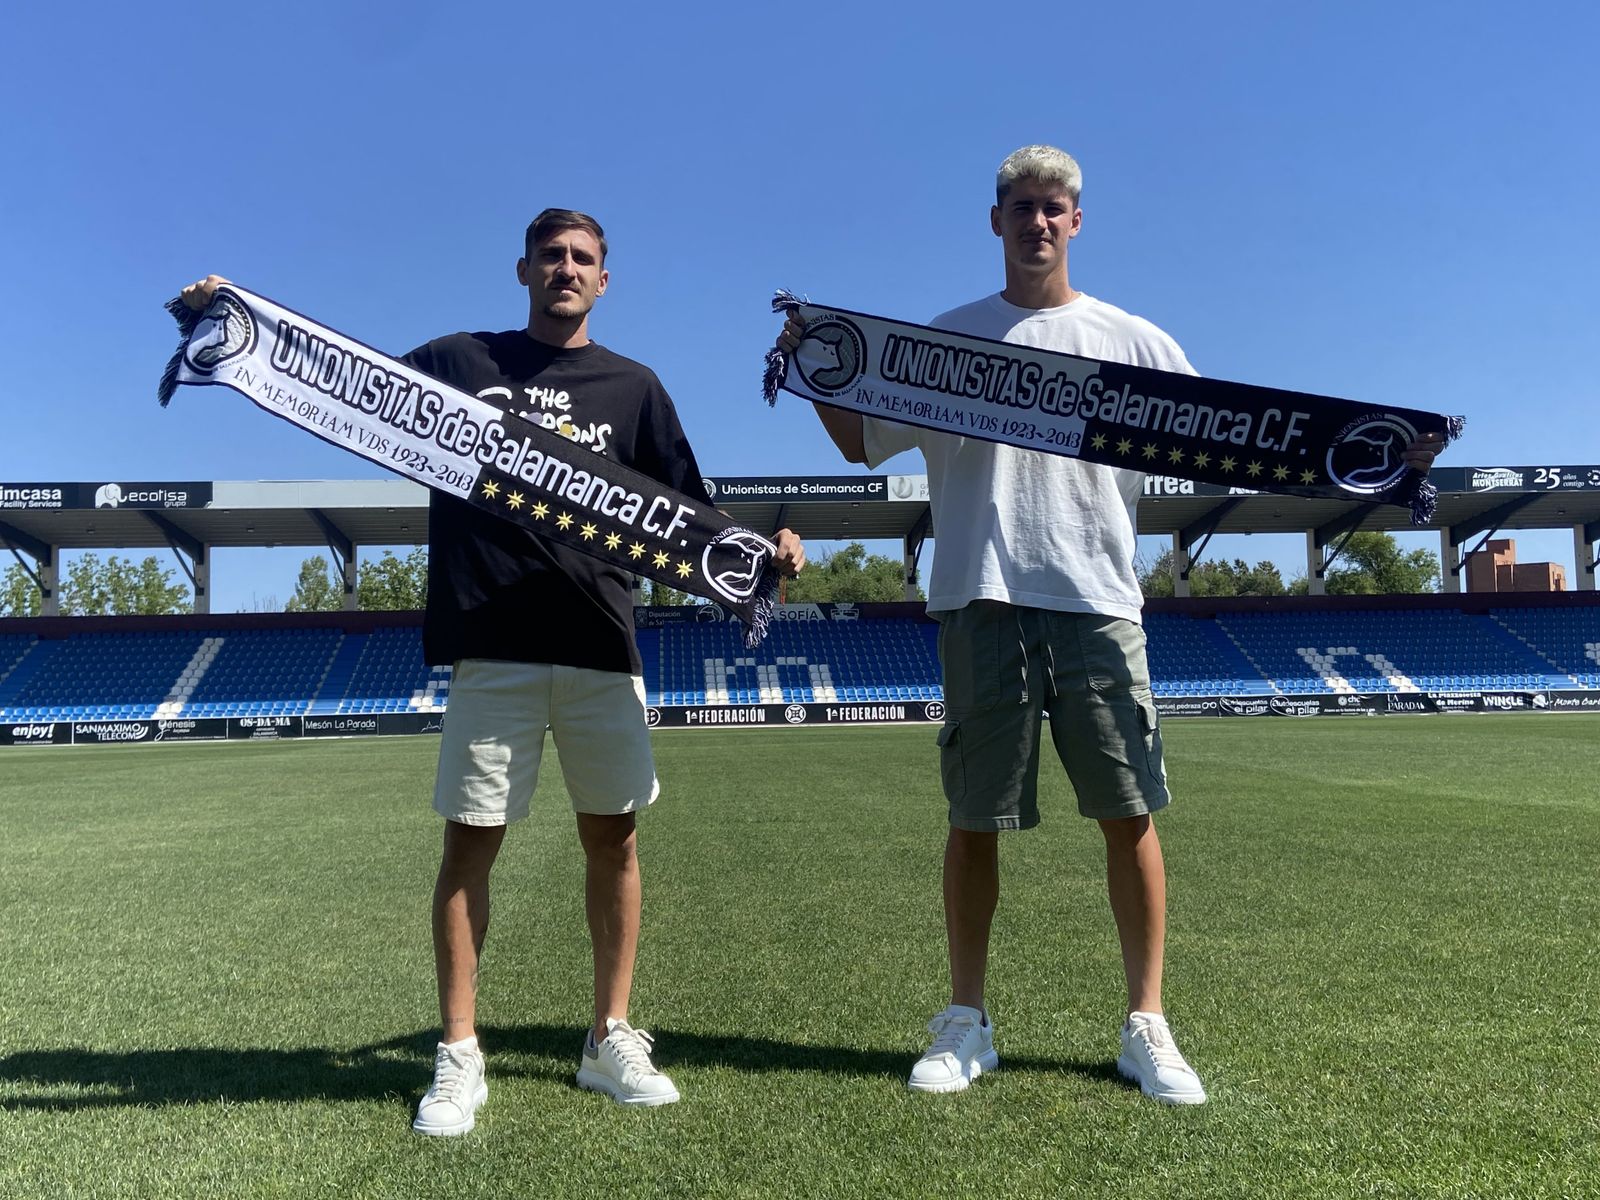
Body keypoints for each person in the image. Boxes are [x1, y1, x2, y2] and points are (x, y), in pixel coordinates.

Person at [781, 145, 1443, 1105]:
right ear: (995, 219)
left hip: (1098, 598)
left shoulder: (1135, 341)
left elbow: (1228, 439)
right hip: (981, 594)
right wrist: (816, 364)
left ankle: (1148, 1024)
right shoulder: (944, 341)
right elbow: (864, 443)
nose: (1037, 223)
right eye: (1020, 207)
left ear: (1076, 221)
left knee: (1128, 814)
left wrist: (1355, 456)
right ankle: (965, 1020)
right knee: (974, 820)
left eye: (1054, 208)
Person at [183, 209, 804, 1137]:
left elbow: (694, 516)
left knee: (616, 844)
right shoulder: (458, 362)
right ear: (523, 270)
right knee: (470, 845)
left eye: (583, 259)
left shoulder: (636, 388)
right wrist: (234, 324)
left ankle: (609, 1036)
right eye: (551, 256)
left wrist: (770, 552)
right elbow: (346, 392)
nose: (566, 269)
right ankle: (460, 1053)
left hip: (601, 645)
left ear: (605, 280)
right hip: (491, 645)